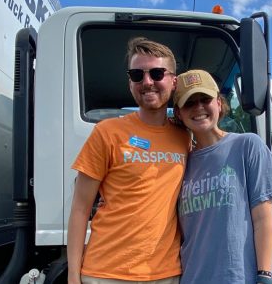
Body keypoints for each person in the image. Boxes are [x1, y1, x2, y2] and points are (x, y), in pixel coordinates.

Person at [68, 37, 190, 284]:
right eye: (137, 74)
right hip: (105, 273)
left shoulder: (185, 137)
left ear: (173, 81)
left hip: (165, 274)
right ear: (130, 82)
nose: (147, 82)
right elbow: (80, 209)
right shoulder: (107, 132)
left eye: (157, 73)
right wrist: (73, 275)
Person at [172, 69, 272, 284]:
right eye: (189, 103)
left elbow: (263, 219)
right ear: (179, 113)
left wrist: (264, 275)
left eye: (205, 99)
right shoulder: (180, 162)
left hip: (238, 278)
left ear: (218, 103)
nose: (199, 107)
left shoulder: (248, 145)